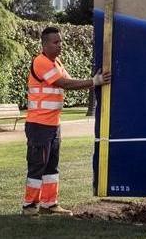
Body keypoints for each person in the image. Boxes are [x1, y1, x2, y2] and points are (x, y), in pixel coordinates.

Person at [22, 26, 110, 216]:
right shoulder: (41, 62)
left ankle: (49, 204)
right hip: (39, 125)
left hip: (53, 125)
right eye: (55, 42)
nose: (60, 45)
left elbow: (71, 83)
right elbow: (65, 84)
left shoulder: (57, 63)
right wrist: (95, 81)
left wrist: (93, 80)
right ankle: (29, 206)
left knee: (52, 166)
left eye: (60, 41)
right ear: (44, 44)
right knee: (38, 165)